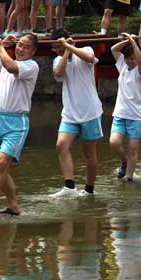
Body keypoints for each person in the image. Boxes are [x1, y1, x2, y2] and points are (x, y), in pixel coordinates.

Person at [0, 33, 40, 220]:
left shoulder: (30, 66)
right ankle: (13, 206)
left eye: (26, 46)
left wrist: (2, 48)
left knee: (3, 163)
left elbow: (12, 67)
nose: (21, 49)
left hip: (17, 122)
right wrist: (1, 44)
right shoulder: (5, 62)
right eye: (19, 45)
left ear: (33, 51)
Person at [50, 29, 103, 198]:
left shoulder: (85, 50)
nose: (56, 50)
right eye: (54, 47)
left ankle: (89, 189)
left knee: (89, 152)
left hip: (90, 111)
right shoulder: (58, 59)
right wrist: (65, 51)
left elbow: (90, 58)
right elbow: (58, 74)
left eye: (58, 46)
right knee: (61, 145)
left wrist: (69, 46)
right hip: (70, 113)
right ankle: (69, 187)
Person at [109, 34, 141, 182]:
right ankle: (125, 162)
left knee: (132, 149)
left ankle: (129, 178)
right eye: (128, 58)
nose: (130, 61)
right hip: (120, 113)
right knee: (114, 143)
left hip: (136, 116)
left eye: (133, 59)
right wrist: (127, 40)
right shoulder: (123, 66)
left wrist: (133, 42)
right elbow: (114, 49)